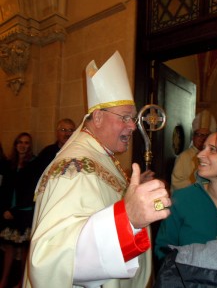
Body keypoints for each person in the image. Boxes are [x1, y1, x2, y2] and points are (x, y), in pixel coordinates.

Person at [23, 51, 171, 288]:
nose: (132, 126)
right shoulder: (75, 167)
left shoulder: (102, 156)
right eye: (125, 117)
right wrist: (129, 218)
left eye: (132, 118)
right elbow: (50, 257)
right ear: (99, 117)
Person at [154, 127, 217, 269]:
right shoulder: (182, 200)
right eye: (203, 147)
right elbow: (162, 251)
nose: (199, 155)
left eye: (212, 149)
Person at [0, 132, 36, 288]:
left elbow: (31, 191)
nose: (23, 145)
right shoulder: (10, 164)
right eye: (20, 142)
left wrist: (14, 210)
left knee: (24, 250)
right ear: (15, 145)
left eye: (26, 143)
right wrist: (4, 208)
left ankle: (22, 282)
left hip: (24, 211)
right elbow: (4, 189)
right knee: (9, 247)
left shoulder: (33, 164)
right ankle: (4, 279)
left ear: (30, 146)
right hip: (9, 212)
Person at [171, 110, 217, 191]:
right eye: (199, 134)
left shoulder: (214, 156)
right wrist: (200, 185)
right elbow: (176, 182)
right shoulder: (184, 156)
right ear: (193, 137)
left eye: (207, 135)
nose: (203, 138)